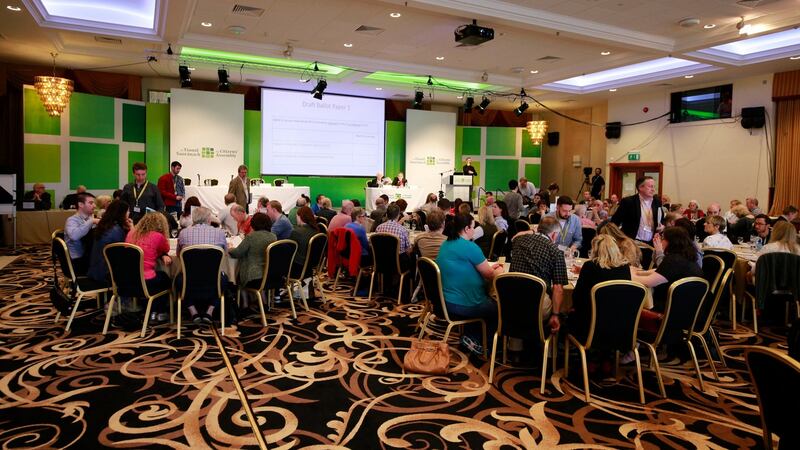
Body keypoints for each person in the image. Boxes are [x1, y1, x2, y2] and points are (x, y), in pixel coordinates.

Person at [436, 213, 503, 355]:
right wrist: (499, 269)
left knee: (481, 299)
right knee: (497, 308)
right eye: (473, 227)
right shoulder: (470, 247)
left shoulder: (446, 244)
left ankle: (471, 336)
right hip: (466, 304)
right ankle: (484, 345)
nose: (474, 230)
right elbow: (489, 275)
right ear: (467, 229)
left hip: (445, 301)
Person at [509, 216, 567, 334]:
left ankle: (515, 345)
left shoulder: (518, 241)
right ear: (554, 235)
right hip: (537, 304)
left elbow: (515, 237)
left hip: (511, 300)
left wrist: (532, 231)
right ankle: (547, 347)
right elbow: (558, 289)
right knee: (564, 310)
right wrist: (556, 315)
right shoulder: (555, 252)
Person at [570, 235, 632, 340]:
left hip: (590, 325)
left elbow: (577, 298)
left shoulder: (590, 266)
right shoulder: (625, 267)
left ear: (595, 249)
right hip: (618, 324)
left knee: (565, 316)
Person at [176, 206, 229, 323]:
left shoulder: (183, 233)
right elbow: (225, 253)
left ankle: (193, 311)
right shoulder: (219, 233)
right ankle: (210, 311)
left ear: (193, 219)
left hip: (189, 280)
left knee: (177, 281)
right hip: (214, 280)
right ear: (209, 219)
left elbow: (179, 255)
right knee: (225, 280)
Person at [632, 226, 703, 312]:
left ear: (671, 241)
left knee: (631, 298)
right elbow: (662, 272)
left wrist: (627, 274)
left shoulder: (674, 260)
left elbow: (648, 282)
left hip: (670, 309)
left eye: (663, 239)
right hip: (688, 308)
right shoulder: (686, 257)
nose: (661, 242)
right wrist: (638, 273)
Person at [126, 212, 172, 322]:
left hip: (128, 277)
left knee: (158, 280)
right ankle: (159, 311)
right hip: (146, 279)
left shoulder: (131, 233)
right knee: (165, 279)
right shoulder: (158, 236)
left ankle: (150, 310)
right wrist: (162, 254)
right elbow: (166, 249)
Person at [87, 200, 132, 283]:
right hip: (106, 274)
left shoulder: (105, 225)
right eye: (128, 211)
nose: (129, 213)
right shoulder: (116, 230)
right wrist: (132, 229)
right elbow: (129, 248)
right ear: (121, 213)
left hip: (96, 269)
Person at [229, 212, 276, 289]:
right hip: (268, 273)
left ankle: (244, 300)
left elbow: (237, 253)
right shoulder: (273, 236)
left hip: (253, 275)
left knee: (237, 276)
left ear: (253, 224)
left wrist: (229, 249)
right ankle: (257, 299)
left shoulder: (251, 237)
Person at [610, 176, 663, 243]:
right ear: (640, 187)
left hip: (651, 243)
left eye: (653, 187)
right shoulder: (628, 202)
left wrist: (662, 227)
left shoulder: (657, 202)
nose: (653, 189)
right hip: (632, 243)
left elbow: (661, 219)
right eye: (650, 186)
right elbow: (614, 222)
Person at [64, 193, 99, 275]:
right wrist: (91, 221)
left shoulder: (89, 218)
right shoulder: (72, 220)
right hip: (78, 262)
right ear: (80, 204)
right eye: (91, 203)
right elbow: (74, 236)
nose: (94, 206)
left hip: (88, 257)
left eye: (94, 203)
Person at [289, 206, 321, 275]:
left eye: (296, 216)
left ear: (300, 217)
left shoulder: (296, 232)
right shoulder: (317, 231)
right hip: (312, 263)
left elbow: (290, 251)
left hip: (298, 266)